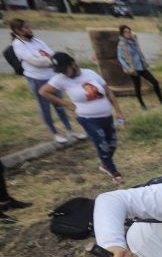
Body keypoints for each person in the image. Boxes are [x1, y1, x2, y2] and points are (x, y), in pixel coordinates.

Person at [39, 52, 125, 183]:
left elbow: (108, 91)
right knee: (102, 144)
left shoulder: (90, 73)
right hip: (88, 119)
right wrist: (66, 103)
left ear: (72, 62)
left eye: (65, 69)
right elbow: (43, 91)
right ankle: (114, 172)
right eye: (60, 70)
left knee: (112, 144)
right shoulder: (59, 79)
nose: (64, 73)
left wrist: (119, 112)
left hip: (106, 116)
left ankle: (105, 164)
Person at [10, 19, 83, 144]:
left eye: (28, 27)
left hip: (52, 77)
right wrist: (52, 62)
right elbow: (34, 61)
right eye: (26, 28)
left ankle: (70, 130)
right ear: (17, 31)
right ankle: (55, 133)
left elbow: (52, 54)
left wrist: (54, 61)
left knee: (59, 104)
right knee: (45, 107)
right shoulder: (18, 44)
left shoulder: (37, 41)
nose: (29, 29)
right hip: (36, 78)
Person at [117, 25, 162, 109]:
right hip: (133, 69)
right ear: (122, 33)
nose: (128, 33)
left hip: (141, 66)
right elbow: (120, 58)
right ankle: (142, 104)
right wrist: (128, 68)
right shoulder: (121, 44)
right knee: (138, 86)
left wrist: (133, 36)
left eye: (129, 31)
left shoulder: (134, 40)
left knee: (155, 82)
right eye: (126, 32)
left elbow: (136, 41)